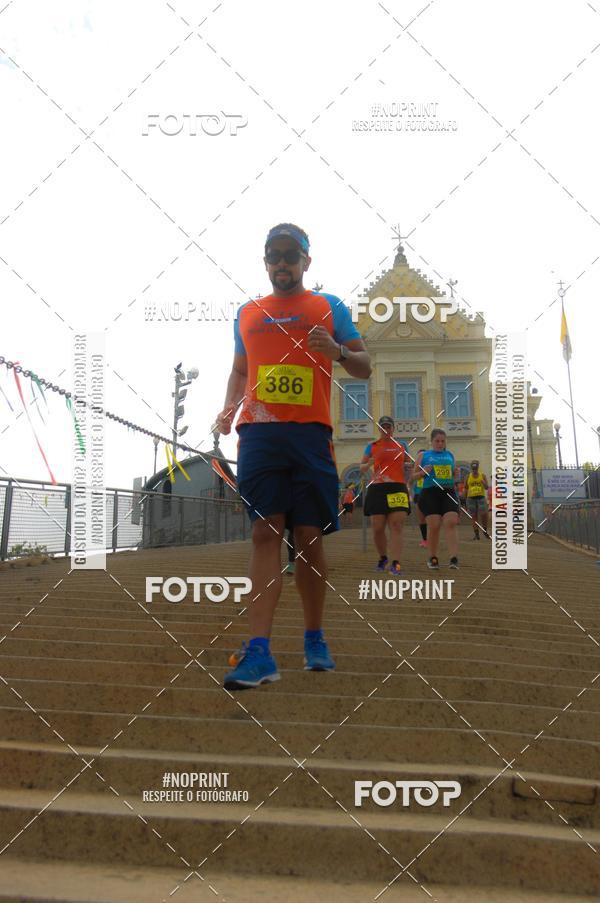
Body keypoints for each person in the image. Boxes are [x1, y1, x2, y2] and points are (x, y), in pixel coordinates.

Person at [215, 223, 371, 689]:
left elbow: (365, 367)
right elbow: (241, 369)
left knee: (308, 538)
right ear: (265, 263)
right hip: (259, 435)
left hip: (310, 435)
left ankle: (314, 636)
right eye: (273, 255)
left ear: (307, 261)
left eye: (290, 254)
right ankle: (259, 652)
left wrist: (339, 350)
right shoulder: (247, 313)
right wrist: (228, 407)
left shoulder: (329, 307)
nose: (281, 263)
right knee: (265, 533)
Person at [360, 416, 410, 576]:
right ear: (379, 429)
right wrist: (368, 463)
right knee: (377, 527)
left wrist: (409, 473)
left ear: (393, 428)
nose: (386, 430)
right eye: (383, 427)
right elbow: (361, 467)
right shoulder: (372, 446)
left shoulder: (402, 446)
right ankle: (383, 558)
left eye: (389, 427)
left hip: (397, 487)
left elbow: (409, 464)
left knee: (396, 525)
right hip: (378, 488)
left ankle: (396, 564)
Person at [411, 428, 460, 570]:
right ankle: (433, 558)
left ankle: (453, 558)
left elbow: (453, 476)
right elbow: (413, 477)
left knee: (451, 521)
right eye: (437, 441)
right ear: (431, 441)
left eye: (442, 441)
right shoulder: (423, 455)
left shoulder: (450, 455)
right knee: (434, 525)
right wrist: (422, 472)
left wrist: (455, 474)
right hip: (430, 492)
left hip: (448, 491)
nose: (440, 444)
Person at [465, 460, 489, 540]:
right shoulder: (468, 476)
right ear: (471, 468)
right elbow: (466, 488)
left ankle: (485, 531)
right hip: (471, 498)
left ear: (478, 468)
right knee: (474, 517)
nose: (474, 470)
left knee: (484, 515)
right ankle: (476, 534)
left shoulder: (482, 475)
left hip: (481, 497)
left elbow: (486, 487)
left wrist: (483, 483)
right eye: (473, 469)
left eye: (476, 468)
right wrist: (464, 500)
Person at [411, 449, 428, 548]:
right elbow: (411, 480)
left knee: (430, 518)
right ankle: (425, 539)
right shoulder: (415, 469)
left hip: (429, 493)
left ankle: (431, 538)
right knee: (421, 519)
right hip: (418, 494)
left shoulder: (430, 467)